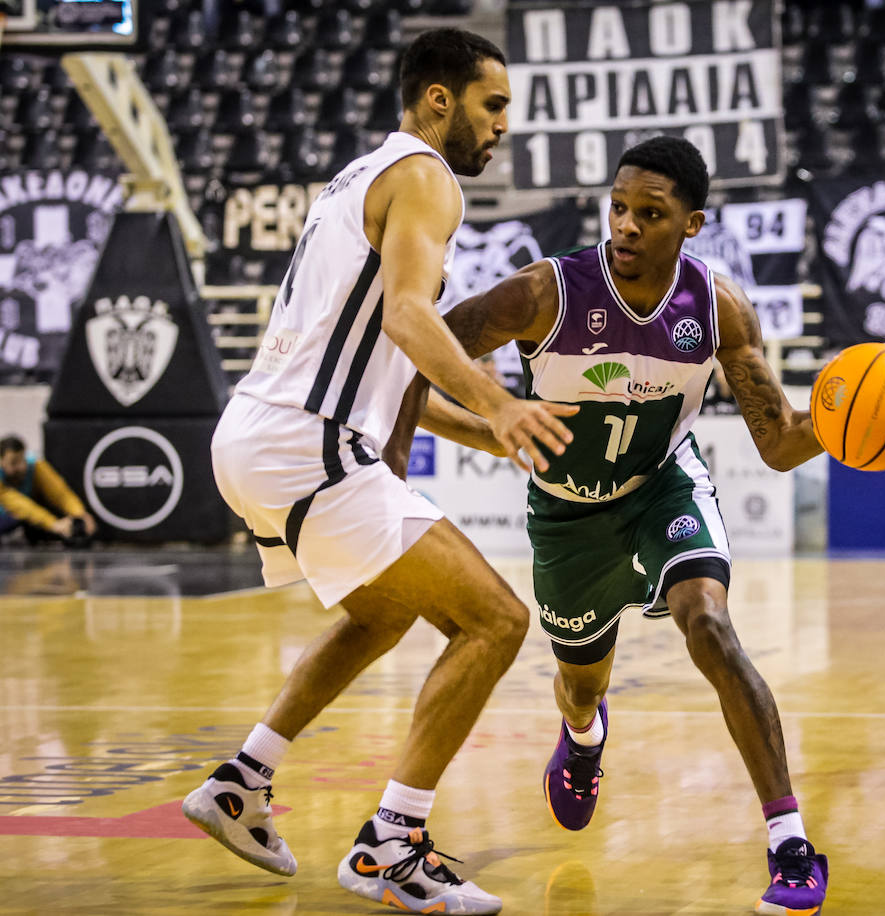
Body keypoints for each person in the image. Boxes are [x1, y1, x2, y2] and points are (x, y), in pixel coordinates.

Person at [180, 29, 576, 915]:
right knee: (497, 623)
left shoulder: (358, 178)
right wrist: (505, 403)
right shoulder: (428, 179)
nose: (503, 125)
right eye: (493, 104)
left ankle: (242, 783)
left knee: (382, 615)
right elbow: (407, 318)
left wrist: (498, 435)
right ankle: (390, 847)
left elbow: (385, 363)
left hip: (266, 434)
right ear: (440, 99)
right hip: (303, 440)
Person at [429, 136, 830, 914]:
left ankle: (789, 841)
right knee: (581, 685)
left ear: (692, 225)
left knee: (709, 627)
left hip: (662, 487)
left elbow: (779, 443)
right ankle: (583, 738)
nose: (626, 226)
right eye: (618, 208)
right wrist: (494, 424)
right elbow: (412, 360)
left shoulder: (717, 307)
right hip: (568, 513)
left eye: (651, 214)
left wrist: (852, 420)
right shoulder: (543, 294)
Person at [0, 434, 96, 546]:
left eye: (22, 460)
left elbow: (60, 493)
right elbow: (19, 505)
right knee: (17, 516)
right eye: (13, 462)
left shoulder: (35, 467)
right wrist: (53, 524)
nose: (21, 467)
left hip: (22, 517)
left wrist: (80, 514)